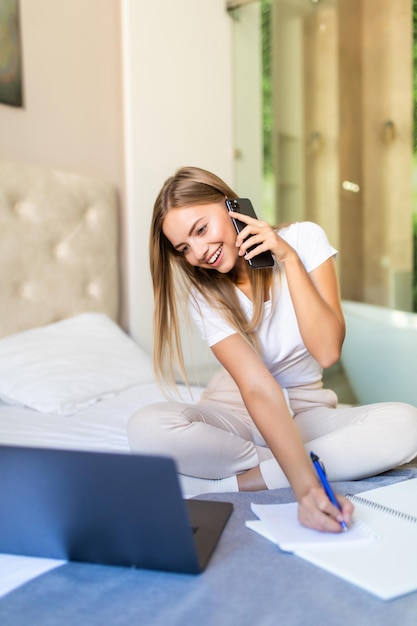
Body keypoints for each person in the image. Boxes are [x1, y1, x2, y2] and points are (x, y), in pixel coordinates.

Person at [128, 166, 417, 532]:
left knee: (408, 424)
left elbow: (327, 351)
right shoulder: (204, 294)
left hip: (305, 412)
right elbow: (256, 386)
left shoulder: (304, 238)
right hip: (237, 414)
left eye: (200, 230)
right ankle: (298, 462)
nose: (199, 252)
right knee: (147, 427)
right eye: (184, 248)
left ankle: (239, 482)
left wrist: (290, 259)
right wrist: (304, 484)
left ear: (232, 205)